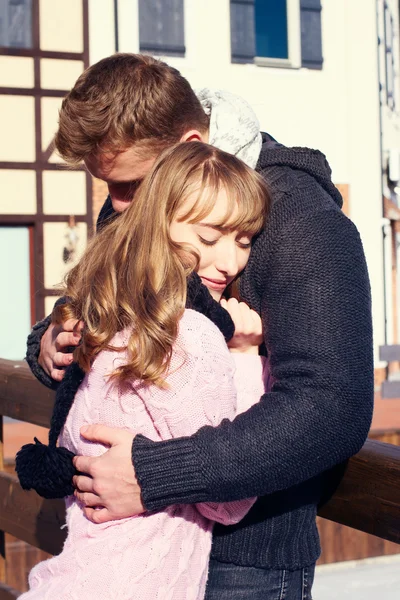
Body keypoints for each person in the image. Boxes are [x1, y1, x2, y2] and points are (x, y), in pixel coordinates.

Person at [25, 54, 374, 599]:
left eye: (128, 184)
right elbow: (104, 304)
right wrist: (52, 339)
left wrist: (154, 474)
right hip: (122, 549)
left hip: (244, 563)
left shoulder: (300, 220)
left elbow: (332, 404)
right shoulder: (144, 201)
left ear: (189, 145)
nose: (115, 208)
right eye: (106, 187)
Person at [17, 142, 270, 600]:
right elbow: (228, 502)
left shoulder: (114, 318)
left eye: (244, 239)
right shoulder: (191, 336)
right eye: (209, 238)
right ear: (159, 225)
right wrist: (247, 358)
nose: (230, 262)